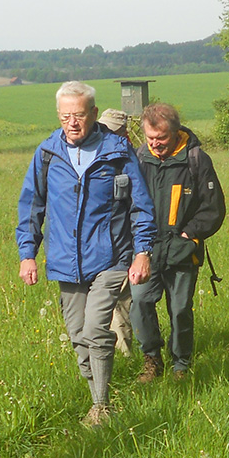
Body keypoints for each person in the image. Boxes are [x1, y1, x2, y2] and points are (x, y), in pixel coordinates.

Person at [16, 82, 155, 427]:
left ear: (93, 114)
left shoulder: (118, 152)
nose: (72, 123)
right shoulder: (47, 153)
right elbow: (32, 205)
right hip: (66, 262)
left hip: (110, 258)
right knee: (78, 335)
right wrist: (27, 253)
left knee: (95, 328)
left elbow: (141, 206)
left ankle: (101, 405)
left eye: (79, 115)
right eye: (65, 116)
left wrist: (143, 252)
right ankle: (98, 395)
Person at [129, 103, 226, 381]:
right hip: (146, 249)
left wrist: (190, 233)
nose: (155, 145)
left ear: (175, 132)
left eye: (161, 138)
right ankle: (152, 360)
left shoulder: (195, 159)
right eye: (150, 139)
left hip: (184, 250)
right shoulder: (139, 159)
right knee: (140, 302)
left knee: (180, 308)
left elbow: (213, 208)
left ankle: (181, 364)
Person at [98, 109, 136, 357]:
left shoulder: (135, 161)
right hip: (101, 243)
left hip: (127, 243)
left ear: (124, 134)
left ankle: (125, 354)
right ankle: (103, 351)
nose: (104, 135)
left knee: (123, 300)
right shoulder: (97, 157)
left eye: (110, 131)